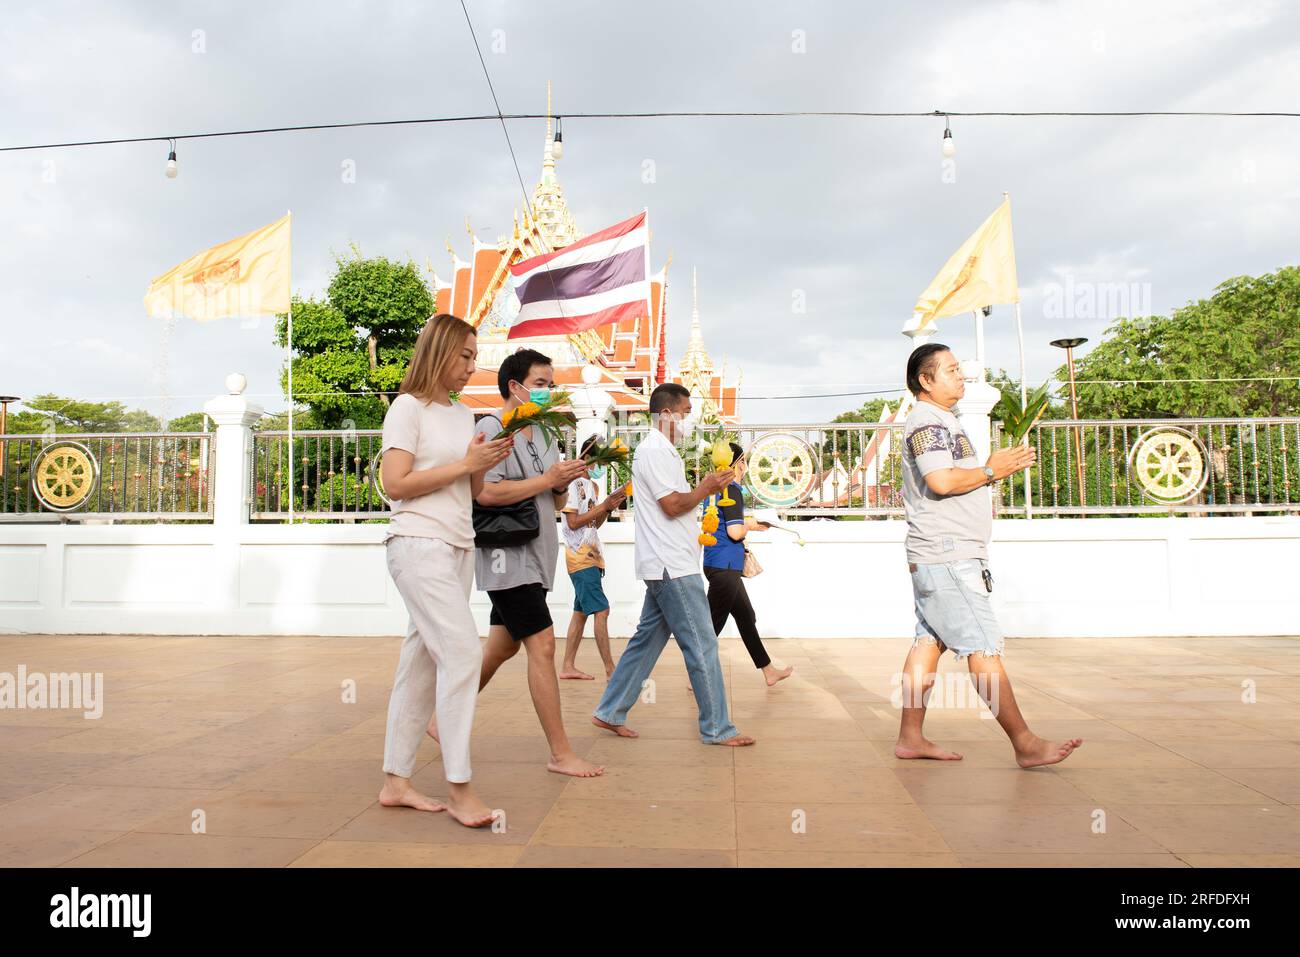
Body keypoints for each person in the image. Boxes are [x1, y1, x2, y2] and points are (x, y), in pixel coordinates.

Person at [894, 342, 1082, 768]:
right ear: (926, 381)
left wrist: (994, 470)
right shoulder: (928, 421)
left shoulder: (942, 419)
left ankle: (910, 736)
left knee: (928, 642)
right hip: (947, 555)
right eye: (952, 370)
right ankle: (1025, 743)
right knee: (983, 648)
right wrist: (994, 469)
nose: (961, 377)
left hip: (938, 554)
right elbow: (940, 480)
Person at [377, 313, 514, 828]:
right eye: (465, 356)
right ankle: (460, 788)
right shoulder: (406, 409)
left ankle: (396, 782)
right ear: (438, 351)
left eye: (476, 358)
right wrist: (465, 465)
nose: (472, 367)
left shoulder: (464, 418)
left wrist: (497, 464)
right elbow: (396, 483)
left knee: (421, 663)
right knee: (461, 655)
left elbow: (476, 492)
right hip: (417, 543)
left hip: (459, 546)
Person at [462, 347, 605, 778]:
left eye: (550, 385)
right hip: (507, 557)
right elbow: (484, 493)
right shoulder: (493, 428)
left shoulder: (541, 434)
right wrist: (546, 479)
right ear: (515, 386)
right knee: (542, 644)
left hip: (537, 554)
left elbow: (555, 498)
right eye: (541, 385)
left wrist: (565, 480)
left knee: (502, 646)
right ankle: (561, 753)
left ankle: (440, 716)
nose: (547, 392)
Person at [591, 383, 755, 747]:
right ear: (666, 414)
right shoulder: (654, 451)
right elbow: (673, 505)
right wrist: (707, 488)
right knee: (702, 646)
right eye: (685, 412)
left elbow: (677, 502)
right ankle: (717, 727)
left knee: (646, 641)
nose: (688, 419)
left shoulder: (663, 451)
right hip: (672, 567)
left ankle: (610, 710)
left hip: (668, 563)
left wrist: (705, 490)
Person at [702, 442, 794, 687]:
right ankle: (697, 675)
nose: (745, 467)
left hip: (717, 563)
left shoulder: (712, 489)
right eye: (744, 461)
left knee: (746, 616)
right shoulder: (731, 490)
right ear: (738, 463)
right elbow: (734, 531)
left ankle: (768, 671)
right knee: (712, 625)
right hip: (726, 566)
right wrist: (753, 525)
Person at [559, 435, 626, 680]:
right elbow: (574, 522)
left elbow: (596, 522)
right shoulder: (572, 483)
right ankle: (610, 669)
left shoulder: (593, 487)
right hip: (580, 555)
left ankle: (567, 665)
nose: (601, 467)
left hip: (593, 554)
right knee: (602, 610)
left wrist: (608, 506)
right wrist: (603, 505)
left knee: (580, 613)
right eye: (601, 460)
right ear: (589, 457)